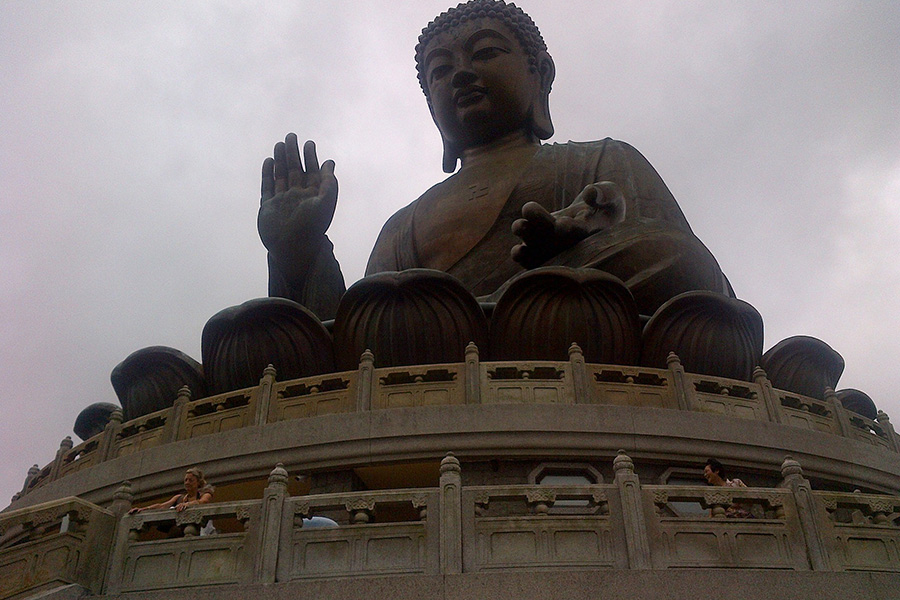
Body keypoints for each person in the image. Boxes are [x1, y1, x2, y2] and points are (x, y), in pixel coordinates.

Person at [257, 0, 732, 320]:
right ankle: (496, 314)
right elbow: (350, 333)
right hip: (437, 346)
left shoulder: (600, 159)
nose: (461, 73)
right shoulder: (403, 226)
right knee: (375, 317)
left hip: (566, 326)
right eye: (441, 71)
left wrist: (577, 245)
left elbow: (692, 276)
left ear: (540, 74)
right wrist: (297, 253)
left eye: (484, 53)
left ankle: (507, 308)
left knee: (678, 258)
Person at [128, 467, 214, 514]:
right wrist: (143, 509)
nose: (187, 483)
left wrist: (187, 504)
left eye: (191, 480)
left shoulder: (205, 493)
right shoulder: (179, 498)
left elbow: (203, 501)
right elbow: (162, 506)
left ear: (198, 482)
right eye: (185, 480)